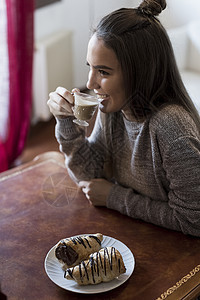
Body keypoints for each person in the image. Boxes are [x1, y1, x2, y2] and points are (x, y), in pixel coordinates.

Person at [47, 0, 200, 237]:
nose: (90, 83)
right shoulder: (116, 108)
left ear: (140, 72)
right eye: (90, 67)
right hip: (137, 235)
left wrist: (114, 197)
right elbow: (90, 176)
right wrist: (66, 121)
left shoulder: (171, 129)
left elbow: (194, 220)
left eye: (103, 72)